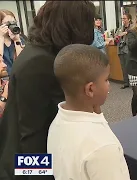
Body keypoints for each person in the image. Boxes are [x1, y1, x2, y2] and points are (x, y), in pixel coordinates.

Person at [0, 1, 96, 179]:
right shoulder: (39, 63)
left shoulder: (42, 52)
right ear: (72, 25)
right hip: (28, 163)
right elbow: (32, 135)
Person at [48, 44, 130, 180]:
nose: (109, 85)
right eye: (106, 79)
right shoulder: (102, 146)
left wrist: (96, 111)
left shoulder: (57, 122)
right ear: (90, 89)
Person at [0, 9, 25, 76]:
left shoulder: (20, 38)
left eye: (14, 22)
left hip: (18, 76)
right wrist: (1, 37)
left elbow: (22, 61)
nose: (12, 25)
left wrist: (16, 40)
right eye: (8, 23)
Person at [115, 13, 132, 89]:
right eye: (122, 19)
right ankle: (126, 83)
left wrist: (126, 33)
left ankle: (132, 82)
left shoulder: (132, 28)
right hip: (121, 50)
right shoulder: (120, 28)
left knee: (130, 66)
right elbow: (116, 36)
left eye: (125, 18)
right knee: (123, 67)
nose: (123, 20)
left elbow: (134, 37)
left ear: (129, 19)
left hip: (128, 50)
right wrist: (118, 36)